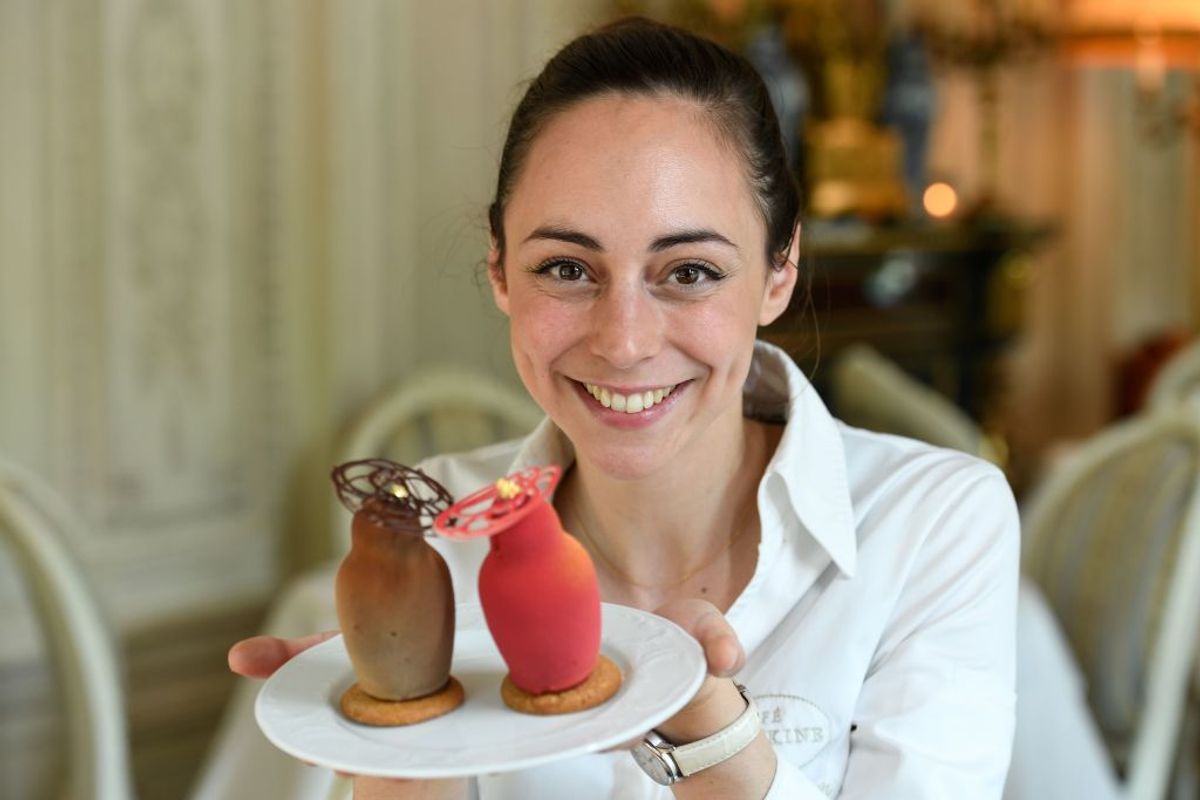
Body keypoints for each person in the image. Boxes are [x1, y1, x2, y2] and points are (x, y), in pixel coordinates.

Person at [228, 17, 1019, 800]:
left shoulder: (934, 522)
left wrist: (708, 732)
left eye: (690, 271)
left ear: (780, 273)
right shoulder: (435, 541)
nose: (626, 342)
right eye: (567, 268)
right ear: (500, 270)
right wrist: (401, 754)